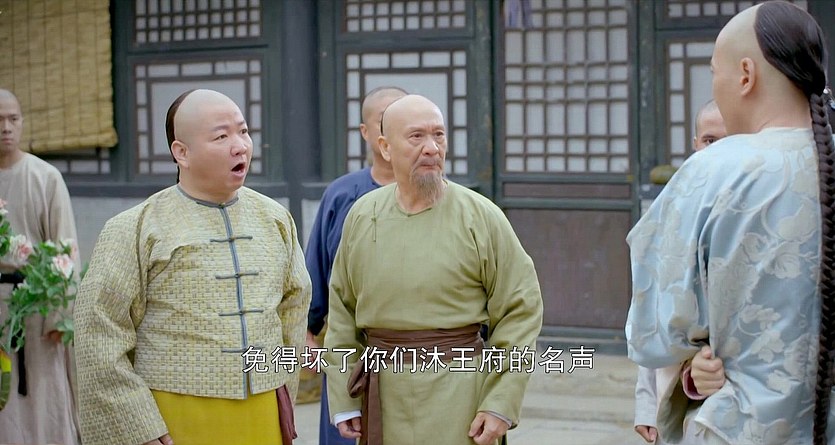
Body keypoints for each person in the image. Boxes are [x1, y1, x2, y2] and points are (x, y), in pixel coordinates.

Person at [626, 2, 835, 444]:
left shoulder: (711, 172)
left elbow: (653, 332)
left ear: (745, 75)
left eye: (713, 73)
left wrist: (696, 365)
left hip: (739, 429)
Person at [74, 89, 311, 445]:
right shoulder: (136, 227)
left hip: (263, 408)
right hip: (172, 415)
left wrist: (283, 390)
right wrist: (138, 425)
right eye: (221, 136)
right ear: (181, 152)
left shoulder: (275, 219)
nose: (240, 146)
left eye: (243, 132)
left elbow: (294, 310)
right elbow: (99, 332)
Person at [323, 94, 543, 445]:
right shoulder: (363, 215)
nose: (431, 148)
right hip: (383, 395)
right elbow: (342, 314)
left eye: (438, 135)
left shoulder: (481, 216)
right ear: (385, 147)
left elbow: (521, 310)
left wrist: (501, 402)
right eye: (416, 136)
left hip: (461, 395)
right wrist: (344, 399)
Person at [305, 86, 407, 445]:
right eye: (383, 121)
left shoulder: (446, 198)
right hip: (352, 348)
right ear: (365, 132)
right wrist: (307, 331)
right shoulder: (342, 195)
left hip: (421, 353)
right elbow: (317, 268)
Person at [633, 99, 727, 445]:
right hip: (684, 385)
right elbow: (651, 313)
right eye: (710, 141)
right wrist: (647, 405)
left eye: (730, 140)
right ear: (695, 144)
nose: (718, 151)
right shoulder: (677, 207)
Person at [0, 89, 80, 444]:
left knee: (43, 396)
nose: (6, 128)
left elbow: (66, 249)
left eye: (13, 119)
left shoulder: (45, 177)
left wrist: (60, 314)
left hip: (37, 305)